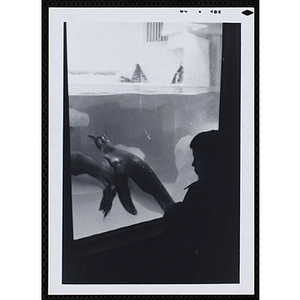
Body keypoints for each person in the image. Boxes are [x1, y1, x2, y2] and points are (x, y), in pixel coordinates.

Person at [163, 130, 240, 283]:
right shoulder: (237, 184)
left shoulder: (200, 192)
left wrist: (175, 211)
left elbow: (182, 230)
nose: (192, 164)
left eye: (197, 158)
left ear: (216, 161)